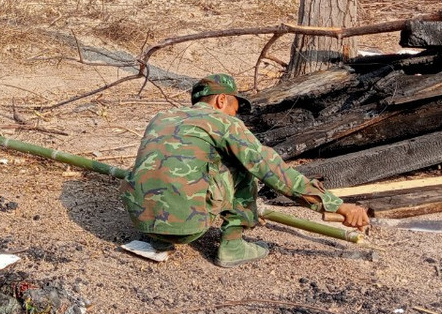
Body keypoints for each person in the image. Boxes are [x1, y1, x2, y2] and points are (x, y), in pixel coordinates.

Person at [122, 73, 369, 267]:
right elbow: (272, 170)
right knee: (245, 164)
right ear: (221, 100)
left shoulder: (162, 117)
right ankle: (232, 245)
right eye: (236, 107)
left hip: (141, 220)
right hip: (187, 227)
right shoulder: (224, 121)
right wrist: (335, 205)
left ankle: (159, 239)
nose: (236, 114)